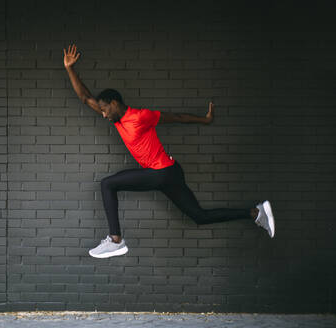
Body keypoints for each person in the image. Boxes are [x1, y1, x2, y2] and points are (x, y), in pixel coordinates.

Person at [63, 44, 275, 259]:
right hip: (169, 174)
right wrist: (70, 68)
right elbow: (85, 97)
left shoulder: (140, 116)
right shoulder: (117, 121)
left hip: (162, 172)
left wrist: (205, 120)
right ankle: (255, 212)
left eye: (105, 110)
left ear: (114, 103)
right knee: (199, 216)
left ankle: (116, 240)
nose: (103, 115)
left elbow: (176, 117)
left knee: (108, 184)